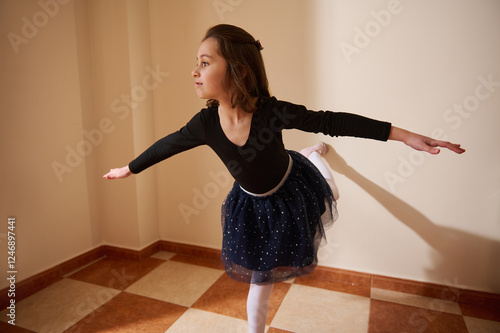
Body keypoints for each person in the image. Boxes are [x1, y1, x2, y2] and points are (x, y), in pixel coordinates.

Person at [103, 24, 464, 333]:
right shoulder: (205, 124)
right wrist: (129, 168)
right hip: (250, 202)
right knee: (260, 277)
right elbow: (167, 145)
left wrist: (404, 135)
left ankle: (313, 157)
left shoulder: (271, 112)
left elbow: (332, 120)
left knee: (330, 193)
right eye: (196, 63)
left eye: (205, 62)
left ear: (239, 70)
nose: (194, 71)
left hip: (291, 187)